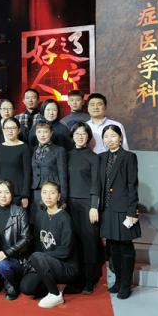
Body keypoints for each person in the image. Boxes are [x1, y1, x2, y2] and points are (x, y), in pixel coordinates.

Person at [20, 181, 77, 308]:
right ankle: (55, 285)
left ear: (59, 196)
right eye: (44, 193)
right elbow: (37, 244)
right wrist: (38, 262)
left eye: (52, 193)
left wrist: (40, 258)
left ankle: (55, 294)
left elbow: (66, 251)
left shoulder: (65, 218)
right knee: (27, 287)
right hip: (44, 263)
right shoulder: (39, 216)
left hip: (66, 266)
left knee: (36, 256)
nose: (48, 196)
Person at [99, 125, 140, 300]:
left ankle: (126, 284)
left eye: (113, 136)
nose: (109, 140)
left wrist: (132, 210)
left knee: (125, 246)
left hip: (123, 209)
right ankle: (117, 280)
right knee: (112, 246)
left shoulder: (129, 157)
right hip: (107, 209)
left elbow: (132, 185)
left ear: (120, 138)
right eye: (106, 137)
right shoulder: (101, 157)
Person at [67, 122, 100, 293]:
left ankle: (89, 281)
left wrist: (94, 206)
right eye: (77, 133)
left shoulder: (94, 157)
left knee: (89, 242)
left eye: (83, 133)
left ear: (88, 137)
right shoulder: (67, 155)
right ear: (72, 136)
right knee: (73, 242)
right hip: (69, 205)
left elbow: (96, 184)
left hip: (87, 204)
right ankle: (75, 279)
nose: (80, 136)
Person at [0, 118, 31, 208]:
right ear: (3, 130)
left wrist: (25, 195)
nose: (10, 131)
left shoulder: (24, 147)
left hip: (18, 193)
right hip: (1, 193)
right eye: (7, 128)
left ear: (19, 130)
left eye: (13, 128)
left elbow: (27, 172)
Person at [30, 123, 68, 208]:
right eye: (39, 132)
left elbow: (63, 175)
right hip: (35, 193)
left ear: (51, 133)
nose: (42, 135)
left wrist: (63, 198)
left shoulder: (59, 150)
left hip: (52, 192)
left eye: (45, 132)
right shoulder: (33, 150)